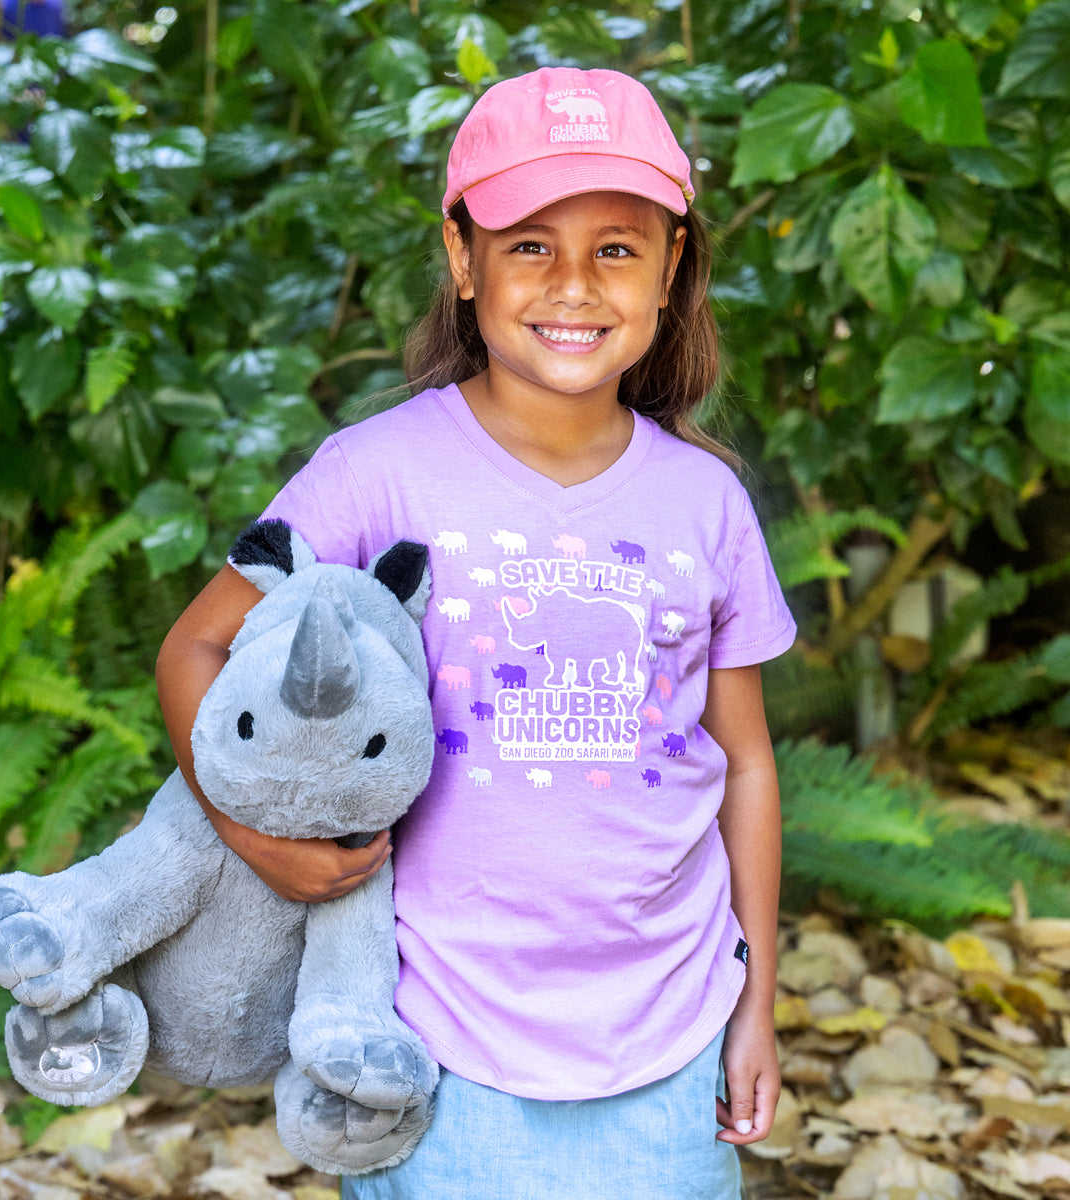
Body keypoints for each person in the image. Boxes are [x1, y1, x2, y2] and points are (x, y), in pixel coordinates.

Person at [158, 65, 796, 1199]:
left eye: (616, 247)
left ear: (672, 270)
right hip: (436, 1044)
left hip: (669, 1041)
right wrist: (250, 832)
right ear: (464, 261)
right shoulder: (375, 474)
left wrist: (757, 1004)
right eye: (529, 244)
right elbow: (195, 649)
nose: (574, 284)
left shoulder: (705, 503)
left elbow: (744, 759)